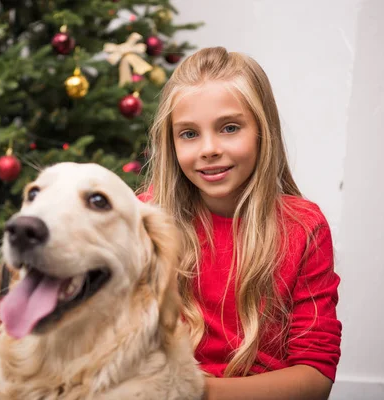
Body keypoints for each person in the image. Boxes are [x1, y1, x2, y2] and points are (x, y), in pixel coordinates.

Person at [137, 47, 342, 400]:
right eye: (188, 134)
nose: (209, 148)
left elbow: (316, 378)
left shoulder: (304, 227)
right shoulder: (144, 218)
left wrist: (192, 392)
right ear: (170, 142)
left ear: (264, 131)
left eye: (229, 128)